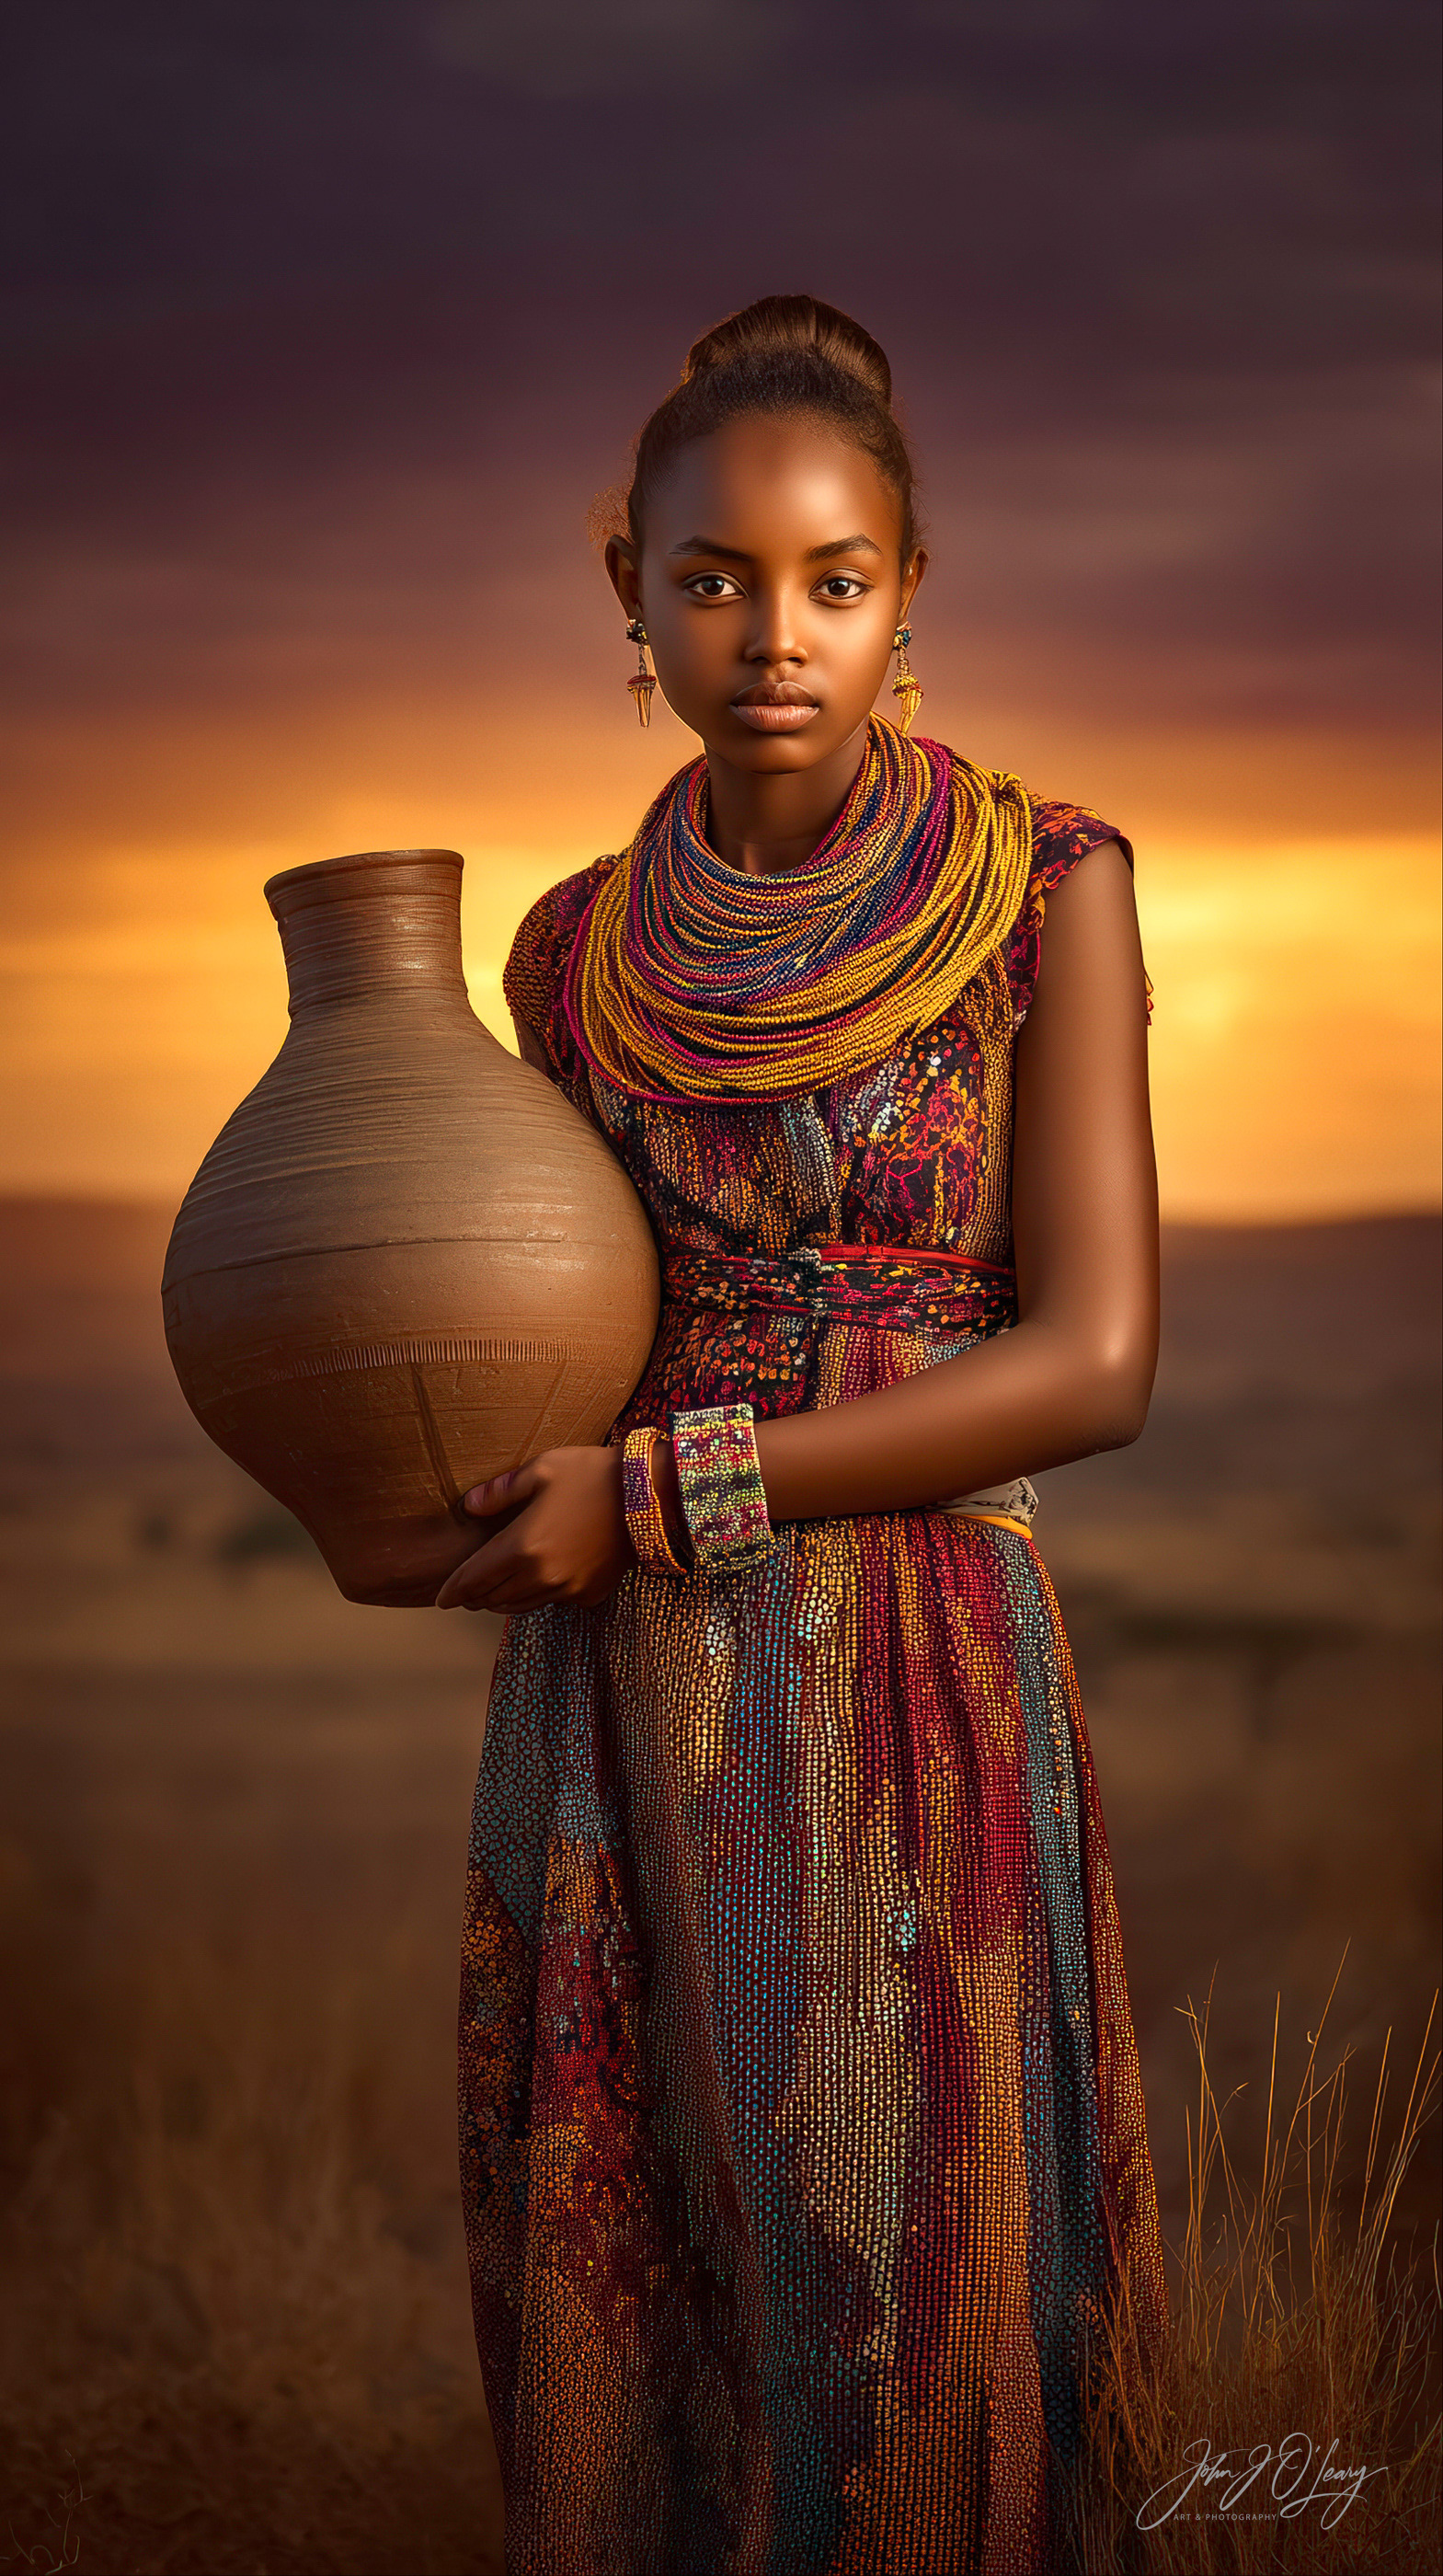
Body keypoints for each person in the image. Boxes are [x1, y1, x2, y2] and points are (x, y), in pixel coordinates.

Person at [441, 294, 1165, 2576]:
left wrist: (662, 1491)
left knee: (916, 2304)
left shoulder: (1044, 891)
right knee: (680, 2271)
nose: (774, 635)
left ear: (909, 594)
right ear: (624, 588)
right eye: (712, 579)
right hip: (636, 1704)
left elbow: (1094, 1362)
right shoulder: (565, 958)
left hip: (917, 1677)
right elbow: (529, 1330)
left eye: (833, 580)